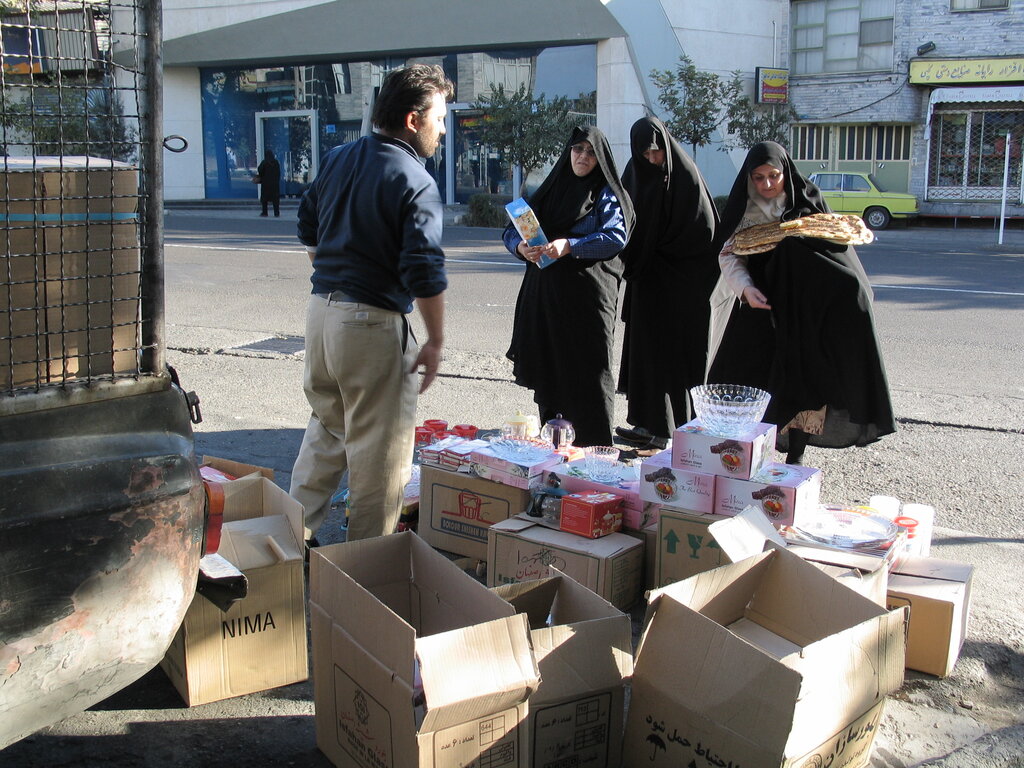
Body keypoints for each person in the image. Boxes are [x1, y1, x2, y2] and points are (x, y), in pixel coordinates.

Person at [289, 64, 453, 544]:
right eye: (438, 118)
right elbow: (424, 272)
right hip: (368, 324)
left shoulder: (340, 157)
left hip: (322, 315)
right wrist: (436, 341)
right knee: (381, 459)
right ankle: (364, 574)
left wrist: (337, 278)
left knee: (327, 431)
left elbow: (308, 228)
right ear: (412, 120)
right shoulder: (415, 180)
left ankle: (283, 542)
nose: (442, 129)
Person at [707, 141, 895, 464]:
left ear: (786, 173)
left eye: (774, 176)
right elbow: (728, 256)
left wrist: (850, 296)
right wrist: (745, 289)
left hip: (804, 313)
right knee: (750, 382)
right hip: (761, 309)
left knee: (803, 384)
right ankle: (746, 458)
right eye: (759, 177)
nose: (767, 185)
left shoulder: (808, 203)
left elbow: (837, 257)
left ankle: (795, 457)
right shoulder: (743, 210)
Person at [502, 126, 634, 447]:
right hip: (546, 298)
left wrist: (570, 245)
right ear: (568, 152)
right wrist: (522, 248)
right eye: (578, 150)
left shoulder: (607, 193)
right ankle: (554, 444)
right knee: (550, 369)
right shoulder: (550, 188)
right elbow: (512, 229)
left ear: (600, 158)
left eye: (590, 152)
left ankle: (594, 449)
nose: (583, 157)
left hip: (587, 302)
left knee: (588, 373)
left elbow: (615, 236)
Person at [615, 116, 720, 451]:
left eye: (656, 152)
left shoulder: (684, 177)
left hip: (680, 288)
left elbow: (704, 233)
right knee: (645, 355)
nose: (651, 159)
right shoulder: (633, 174)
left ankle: (671, 429)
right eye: (644, 153)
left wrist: (657, 253)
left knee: (672, 359)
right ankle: (647, 423)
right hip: (647, 282)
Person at [256, 150, 281, 217]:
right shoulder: (276, 162)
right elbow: (278, 173)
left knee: (264, 199)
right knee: (275, 200)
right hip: (275, 184)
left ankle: (265, 212)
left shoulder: (264, 162)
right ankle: (276, 213)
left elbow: (260, 170)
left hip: (266, 184)